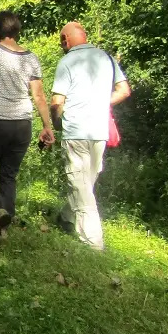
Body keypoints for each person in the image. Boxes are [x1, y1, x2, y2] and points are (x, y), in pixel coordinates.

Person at [0, 11, 55, 242]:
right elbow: (39, 96)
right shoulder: (31, 58)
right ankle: (4, 225)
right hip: (22, 124)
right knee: (9, 174)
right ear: (17, 32)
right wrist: (47, 126)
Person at [50, 21, 131, 250]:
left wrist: (57, 124)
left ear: (66, 40)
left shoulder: (67, 61)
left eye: (61, 42)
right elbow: (124, 90)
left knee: (80, 182)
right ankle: (66, 218)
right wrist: (98, 104)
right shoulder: (106, 57)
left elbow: (57, 102)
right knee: (86, 181)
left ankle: (93, 243)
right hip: (98, 131)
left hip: (75, 129)